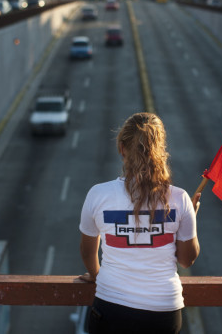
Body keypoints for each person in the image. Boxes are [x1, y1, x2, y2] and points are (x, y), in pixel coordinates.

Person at [79, 112, 201, 334]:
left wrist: (98, 276)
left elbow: (88, 253)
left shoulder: (98, 195)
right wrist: (191, 217)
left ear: (122, 148)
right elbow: (186, 259)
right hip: (164, 314)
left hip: (111, 310)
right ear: (160, 150)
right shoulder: (180, 199)